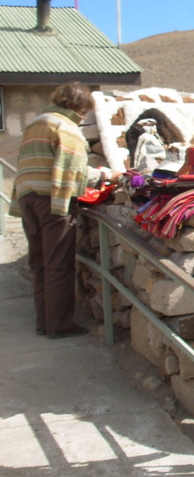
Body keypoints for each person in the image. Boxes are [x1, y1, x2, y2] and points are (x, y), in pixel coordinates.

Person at [10, 82, 115, 339]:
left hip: (27, 197)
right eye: (82, 111)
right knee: (58, 264)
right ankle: (58, 325)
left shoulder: (36, 122)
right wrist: (105, 175)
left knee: (39, 263)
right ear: (73, 105)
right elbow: (73, 170)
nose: (82, 117)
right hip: (52, 201)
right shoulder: (66, 127)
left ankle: (43, 321)